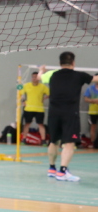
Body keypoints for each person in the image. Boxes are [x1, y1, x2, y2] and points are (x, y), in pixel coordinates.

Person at [40, 53, 98, 181]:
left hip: (53, 113)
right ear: (73, 63)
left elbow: (40, 77)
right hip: (70, 114)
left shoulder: (52, 74)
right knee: (69, 143)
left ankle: (52, 169)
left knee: (54, 141)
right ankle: (62, 172)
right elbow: (96, 79)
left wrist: (41, 70)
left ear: (60, 63)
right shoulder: (79, 75)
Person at [20, 72, 50, 142]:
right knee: (27, 124)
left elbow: (50, 93)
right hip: (28, 109)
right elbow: (21, 94)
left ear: (39, 78)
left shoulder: (43, 87)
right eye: (33, 77)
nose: (34, 78)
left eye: (36, 77)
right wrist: (23, 101)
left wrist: (44, 98)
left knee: (41, 124)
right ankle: (24, 139)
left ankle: (43, 140)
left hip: (39, 109)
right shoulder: (26, 86)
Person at [83, 76, 98, 148]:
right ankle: (93, 143)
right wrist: (94, 101)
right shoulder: (90, 88)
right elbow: (86, 99)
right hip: (93, 111)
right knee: (93, 127)